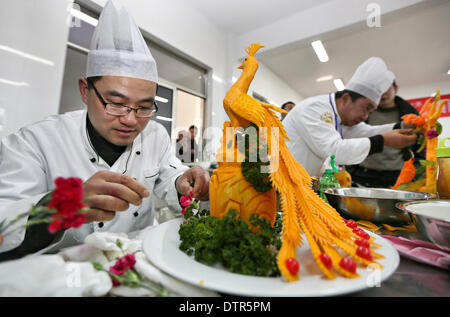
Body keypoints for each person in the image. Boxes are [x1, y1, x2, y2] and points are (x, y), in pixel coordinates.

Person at [0, 0, 209, 258]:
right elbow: (4, 220)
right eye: (117, 104)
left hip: (137, 261)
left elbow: (166, 174)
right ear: (85, 91)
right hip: (63, 273)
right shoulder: (35, 142)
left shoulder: (155, 134)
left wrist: (182, 180)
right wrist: (61, 205)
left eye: (144, 107)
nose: (131, 120)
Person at [283, 57, 418, 177]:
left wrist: (401, 126)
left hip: (304, 184)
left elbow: (365, 131)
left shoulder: (341, 119)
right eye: (366, 108)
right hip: (285, 185)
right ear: (346, 99)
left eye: (370, 112)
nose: (365, 117)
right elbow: (333, 150)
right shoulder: (315, 108)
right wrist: (383, 141)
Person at [347, 81, 425, 187]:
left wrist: (415, 172)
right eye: (378, 89)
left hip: (397, 174)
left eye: (386, 88)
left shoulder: (410, 114)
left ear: (395, 88)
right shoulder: (362, 113)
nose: (383, 93)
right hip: (363, 174)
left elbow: (421, 148)